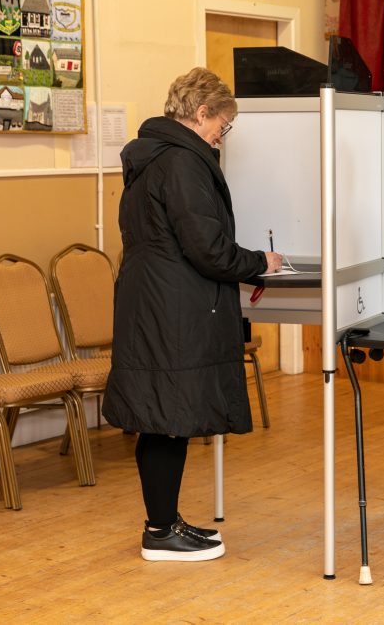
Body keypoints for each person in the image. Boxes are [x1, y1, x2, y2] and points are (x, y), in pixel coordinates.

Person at [103, 67, 283, 562]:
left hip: (154, 299)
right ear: (201, 112)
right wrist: (259, 263)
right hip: (173, 306)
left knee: (164, 414)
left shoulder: (152, 157)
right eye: (220, 127)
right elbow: (207, 248)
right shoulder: (182, 163)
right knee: (166, 416)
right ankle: (160, 531)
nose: (221, 138)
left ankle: (165, 521)